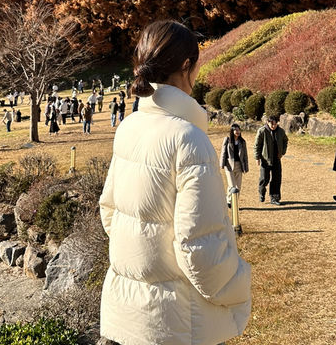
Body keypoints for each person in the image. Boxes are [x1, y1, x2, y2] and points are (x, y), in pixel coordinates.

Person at [99, 20, 251, 345]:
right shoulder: (188, 139)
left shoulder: (129, 126)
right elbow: (197, 247)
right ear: (187, 66)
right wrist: (239, 282)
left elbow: (109, 211)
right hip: (179, 320)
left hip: (129, 311)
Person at [254, 115, 288, 205]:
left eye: (275, 124)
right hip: (265, 159)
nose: (273, 126)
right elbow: (257, 145)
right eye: (271, 124)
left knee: (276, 179)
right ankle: (261, 192)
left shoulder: (281, 131)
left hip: (277, 159)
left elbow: (285, 141)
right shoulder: (262, 131)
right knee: (264, 178)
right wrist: (257, 157)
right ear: (267, 122)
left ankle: (275, 198)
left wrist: (282, 152)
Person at [221, 123, 249, 208]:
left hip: (239, 166)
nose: (237, 131)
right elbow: (223, 152)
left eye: (238, 130)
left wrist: (246, 167)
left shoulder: (242, 142)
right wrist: (222, 164)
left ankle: (233, 201)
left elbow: (245, 155)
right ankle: (231, 202)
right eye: (235, 130)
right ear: (232, 131)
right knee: (232, 185)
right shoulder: (227, 140)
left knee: (238, 186)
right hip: (229, 166)